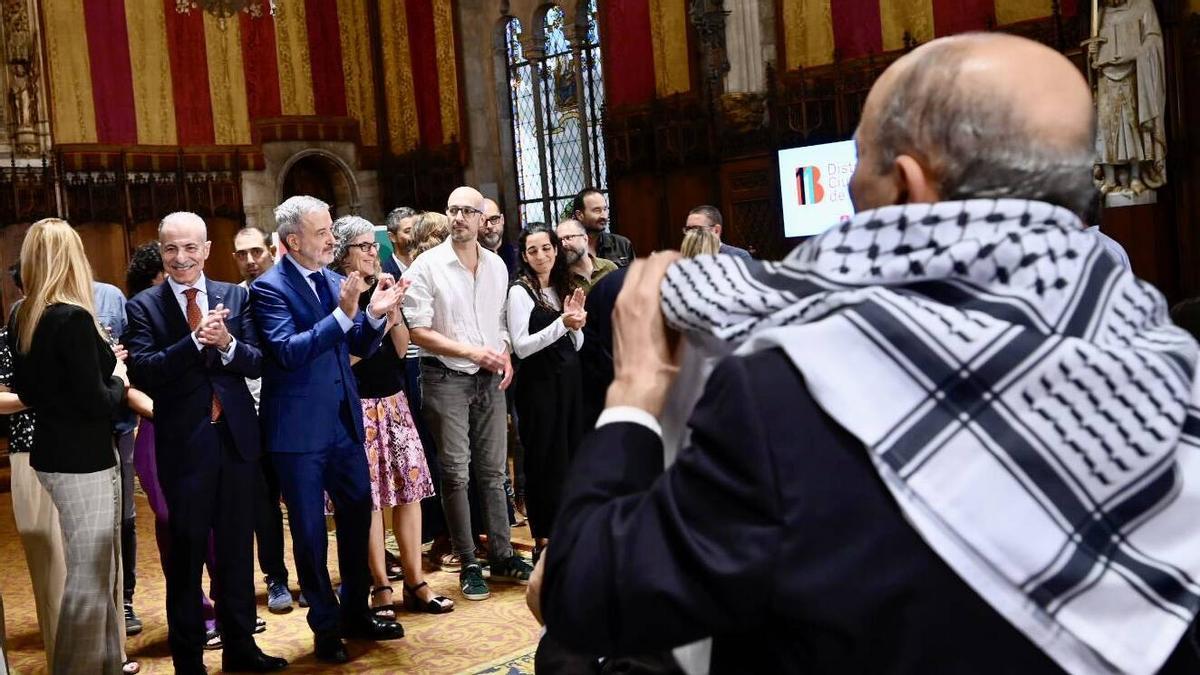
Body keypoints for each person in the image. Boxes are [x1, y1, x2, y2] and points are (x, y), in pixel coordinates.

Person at [531, 34, 1200, 674]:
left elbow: (586, 589)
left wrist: (635, 394)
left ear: (908, 186)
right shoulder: (1175, 370)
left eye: (857, 166)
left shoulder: (788, 397)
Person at [125, 212, 287, 674]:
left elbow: (257, 361)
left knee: (236, 551)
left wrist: (228, 343)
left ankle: (241, 647)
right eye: (171, 249)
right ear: (161, 251)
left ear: (207, 250)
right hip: (184, 448)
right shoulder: (144, 306)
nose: (181, 258)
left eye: (190, 248)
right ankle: (189, 660)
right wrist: (195, 342)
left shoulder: (235, 296)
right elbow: (145, 370)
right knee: (187, 556)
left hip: (236, 442)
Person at [250, 195, 407, 664]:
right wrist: (344, 312)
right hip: (297, 434)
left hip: (343, 423)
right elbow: (287, 351)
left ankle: (356, 612)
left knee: (358, 520)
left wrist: (374, 315)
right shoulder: (268, 288)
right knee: (310, 534)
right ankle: (325, 627)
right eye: (321, 233)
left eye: (331, 231)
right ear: (293, 241)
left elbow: (356, 343)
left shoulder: (336, 281)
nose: (331, 240)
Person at [7, 218, 129, 675]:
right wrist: (119, 380)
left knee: (98, 572)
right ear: (71, 257)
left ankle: (106, 665)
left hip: (53, 453)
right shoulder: (71, 317)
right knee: (90, 577)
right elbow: (96, 401)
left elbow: (29, 391)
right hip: (83, 459)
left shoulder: (23, 313)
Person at [402, 185, 533, 601]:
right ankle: (469, 561)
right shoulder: (427, 265)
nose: (458, 217)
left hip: (489, 378)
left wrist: (504, 352)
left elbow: (499, 322)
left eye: (466, 211)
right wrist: (473, 352)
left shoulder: (495, 265)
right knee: (456, 472)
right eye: (452, 210)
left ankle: (503, 554)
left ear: (481, 219)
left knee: (494, 472)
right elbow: (418, 331)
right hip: (444, 378)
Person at [329, 216, 452, 618]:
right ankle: (380, 584)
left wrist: (393, 309)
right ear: (343, 253)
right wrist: (373, 317)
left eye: (373, 245)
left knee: (409, 493)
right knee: (369, 499)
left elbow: (400, 350)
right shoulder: (337, 293)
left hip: (394, 400)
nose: (373, 252)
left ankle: (416, 582)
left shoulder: (383, 285)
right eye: (364, 246)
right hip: (357, 406)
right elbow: (344, 359)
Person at [506, 226, 586, 563]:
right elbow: (522, 347)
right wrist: (562, 324)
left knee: (570, 458)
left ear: (556, 250)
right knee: (544, 461)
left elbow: (574, 344)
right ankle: (544, 539)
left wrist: (576, 327)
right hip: (538, 387)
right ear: (524, 256)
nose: (541, 256)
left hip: (570, 383)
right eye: (533, 250)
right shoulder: (520, 291)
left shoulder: (563, 285)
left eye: (546, 248)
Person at [232, 226, 294, 614]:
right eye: (242, 254)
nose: (251, 260)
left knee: (303, 498)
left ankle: (315, 577)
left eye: (256, 251)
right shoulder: (233, 298)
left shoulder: (288, 289)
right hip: (252, 413)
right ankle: (276, 578)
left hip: (291, 409)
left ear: (271, 250)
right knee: (262, 502)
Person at [91, 278, 145, 637]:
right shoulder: (39, 306)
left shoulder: (110, 297)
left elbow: (133, 358)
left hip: (119, 423)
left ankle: (125, 600)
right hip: (77, 429)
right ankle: (97, 606)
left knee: (125, 518)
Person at [571, 188, 634, 267]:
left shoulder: (622, 245)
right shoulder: (568, 248)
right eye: (597, 210)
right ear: (579, 215)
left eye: (605, 209)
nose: (604, 216)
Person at [557, 218, 617, 292]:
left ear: (585, 239)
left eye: (568, 238)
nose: (563, 244)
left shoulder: (609, 268)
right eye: (559, 240)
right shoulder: (560, 278)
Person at [683, 206, 751, 259]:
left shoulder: (738, 256)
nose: (690, 234)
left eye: (697, 229)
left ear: (716, 230)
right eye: (688, 229)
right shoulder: (686, 258)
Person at [481, 198, 518, 276]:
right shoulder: (470, 260)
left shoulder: (518, 255)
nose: (489, 226)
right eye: (482, 221)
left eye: (494, 218)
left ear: (502, 219)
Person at [382, 207, 418, 277]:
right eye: (408, 231)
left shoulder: (429, 262)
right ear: (392, 237)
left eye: (417, 229)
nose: (415, 235)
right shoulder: (385, 273)